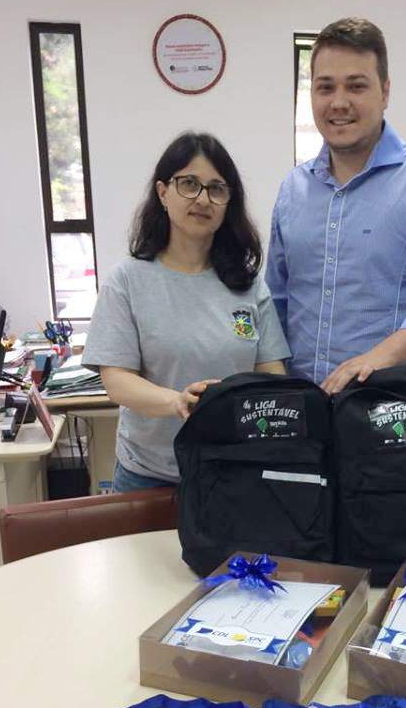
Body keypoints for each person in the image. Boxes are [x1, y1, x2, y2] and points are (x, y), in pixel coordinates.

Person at [265, 17, 406, 394]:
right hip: (302, 407)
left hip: (385, 407)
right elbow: (275, 304)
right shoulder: (293, 189)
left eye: (356, 86)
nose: (339, 102)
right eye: (325, 87)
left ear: (385, 92)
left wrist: (376, 359)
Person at [82, 132, 290, 492]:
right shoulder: (127, 280)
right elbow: (116, 379)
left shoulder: (247, 284)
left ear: (228, 202)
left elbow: (271, 372)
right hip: (149, 476)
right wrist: (176, 402)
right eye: (189, 184)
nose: (203, 199)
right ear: (163, 193)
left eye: (216, 188)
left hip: (232, 473)